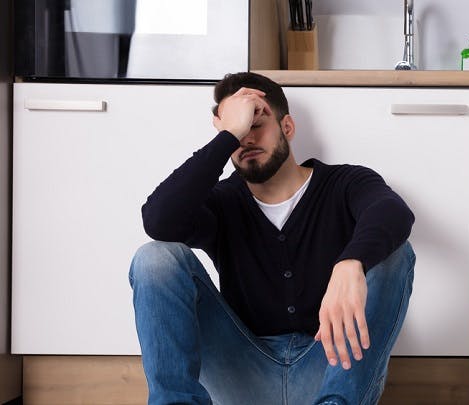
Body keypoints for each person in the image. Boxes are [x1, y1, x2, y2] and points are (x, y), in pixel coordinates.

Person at [128, 72, 416, 405]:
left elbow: (393, 212)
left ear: (287, 127)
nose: (245, 140)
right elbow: (159, 221)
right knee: (154, 257)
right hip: (240, 373)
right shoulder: (221, 202)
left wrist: (350, 263)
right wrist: (225, 139)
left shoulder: (344, 182)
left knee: (394, 252)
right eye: (237, 129)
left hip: (328, 368)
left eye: (256, 123)